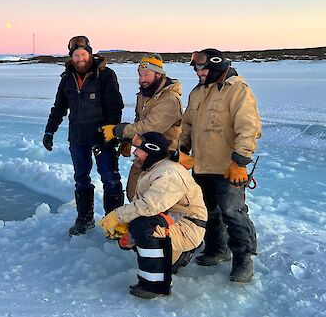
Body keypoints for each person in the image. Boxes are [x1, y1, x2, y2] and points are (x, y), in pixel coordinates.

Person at [180, 48, 261, 283]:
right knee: (208, 210)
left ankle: (243, 258)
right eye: (196, 68)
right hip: (201, 165)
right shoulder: (198, 92)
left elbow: (248, 127)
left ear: (216, 66)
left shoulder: (237, 90)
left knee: (232, 212)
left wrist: (241, 161)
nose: (199, 72)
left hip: (228, 167)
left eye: (202, 68)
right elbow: (187, 123)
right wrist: (182, 150)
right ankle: (217, 249)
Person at [100, 132, 207, 299]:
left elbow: (149, 206)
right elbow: (141, 207)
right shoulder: (153, 169)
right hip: (172, 218)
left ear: (152, 150)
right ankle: (176, 256)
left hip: (189, 225)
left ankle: (155, 285)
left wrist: (117, 216)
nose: (134, 153)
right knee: (134, 230)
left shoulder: (168, 173)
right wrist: (127, 228)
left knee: (144, 228)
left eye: (139, 149)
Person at [43, 36, 125, 236]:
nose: (80, 59)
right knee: (81, 178)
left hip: (101, 137)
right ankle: (85, 218)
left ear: (89, 53)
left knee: (110, 179)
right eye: (76, 55)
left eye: (83, 54)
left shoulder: (106, 75)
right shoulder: (66, 79)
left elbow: (115, 107)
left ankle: (114, 223)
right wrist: (49, 131)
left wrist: (111, 134)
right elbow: (59, 107)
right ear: (71, 57)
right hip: (78, 138)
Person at [99, 53, 183, 201]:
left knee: (153, 200)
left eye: (146, 74)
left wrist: (118, 130)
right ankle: (133, 222)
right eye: (140, 74)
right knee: (133, 192)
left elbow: (151, 127)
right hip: (144, 153)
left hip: (163, 156)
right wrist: (128, 140)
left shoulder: (169, 98)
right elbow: (138, 120)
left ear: (159, 75)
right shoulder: (144, 95)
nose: (142, 79)